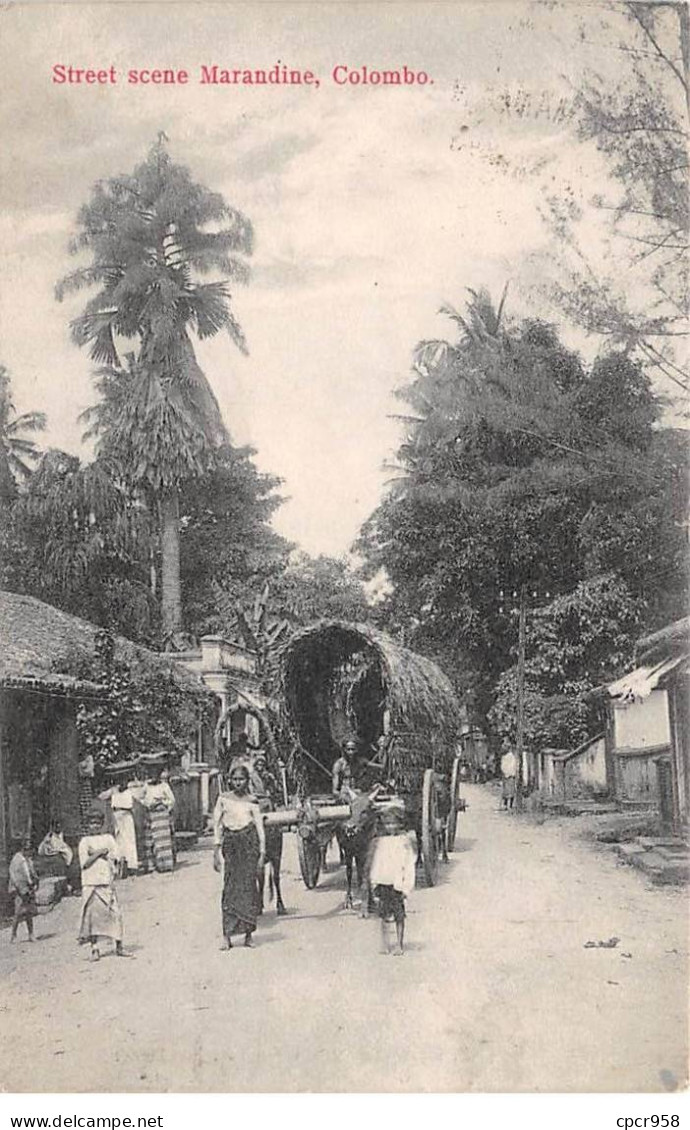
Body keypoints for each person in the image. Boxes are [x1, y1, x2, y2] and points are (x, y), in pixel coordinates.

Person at [212, 763, 266, 949]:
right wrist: (216, 850)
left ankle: (248, 936)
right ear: (230, 780)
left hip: (249, 844)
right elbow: (217, 824)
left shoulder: (252, 801)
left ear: (247, 781)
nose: (238, 783)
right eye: (235, 779)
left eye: (241, 779)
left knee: (248, 887)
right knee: (230, 889)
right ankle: (227, 937)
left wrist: (262, 851)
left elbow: (259, 827)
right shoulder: (223, 799)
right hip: (231, 845)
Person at [368, 802, 416, 956]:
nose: (390, 827)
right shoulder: (380, 841)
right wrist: (374, 881)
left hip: (397, 885)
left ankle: (399, 945)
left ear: (400, 824)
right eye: (387, 824)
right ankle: (385, 944)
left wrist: (406, 887)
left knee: (399, 916)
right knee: (383, 916)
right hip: (383, 882)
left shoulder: (404, 841)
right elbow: (377, 862)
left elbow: (409, 864)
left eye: (393, 824)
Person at [77, 809, 126, 960]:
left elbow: (116, 857)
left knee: (115, 913)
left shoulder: (109, 839)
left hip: (106, 881)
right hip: (91, 883)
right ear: (88, 825)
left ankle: (119, 946)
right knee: (92, 917)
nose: (95, 826)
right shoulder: (84, 842)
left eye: (97, 823)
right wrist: (99, 853)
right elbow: (85, 863)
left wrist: (104, 855)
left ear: (102, 824)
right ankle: (94, 949)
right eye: (92, 823)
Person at [141, 769, 176, 873]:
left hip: (162, 815)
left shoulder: (164, 786)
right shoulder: (146, 786)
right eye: (152, 775)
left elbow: (172, 800)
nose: (154, 777)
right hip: (151, 814)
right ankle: (151, 865)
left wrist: (162, 803)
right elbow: (141, 798)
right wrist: (148, 804)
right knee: (150, 840)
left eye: (156, 775)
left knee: (163, 841)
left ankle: (165, 865)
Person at [9, 837, 39, 943]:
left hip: (29, 888)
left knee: (29, 912)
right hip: (19, 889)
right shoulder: (16, 860)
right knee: (18, 912)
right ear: (23, 849)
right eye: (28, 849)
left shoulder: (28, 860)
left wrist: (34, 882)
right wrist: (20, 889)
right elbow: (14, 876)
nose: (30, 851)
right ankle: (13, 935)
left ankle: (31, 934)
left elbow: (32, 873)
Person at [109, 782, 139, 877]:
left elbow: (140, 796)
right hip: (117, 815)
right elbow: (101, 796)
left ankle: (132, 865)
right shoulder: (113, 791)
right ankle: (121, 864)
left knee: (130, 839)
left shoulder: (130, 791)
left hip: (126, 814)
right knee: (119, 840)